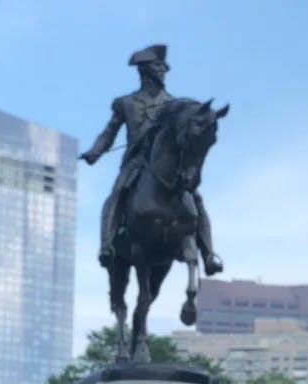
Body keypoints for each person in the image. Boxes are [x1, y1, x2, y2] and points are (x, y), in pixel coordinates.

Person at [80, 44, 223, 276]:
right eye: (158, 67)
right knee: (116, 194)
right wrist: (94, 152)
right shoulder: (126, 103)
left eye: (164, 68)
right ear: (145, 70)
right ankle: (107, 246)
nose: (163, 71)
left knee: (196, 198)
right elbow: (109, 133)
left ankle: (208, 254)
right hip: (137, 162)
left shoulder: (174, 104)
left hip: (167, 166)